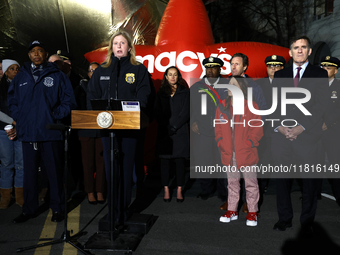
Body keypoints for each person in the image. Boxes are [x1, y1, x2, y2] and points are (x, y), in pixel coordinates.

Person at [87, 30, 154, 224]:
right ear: (111, 47)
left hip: (128, 129)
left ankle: (122, 211)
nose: (118, 46)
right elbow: (91, 97)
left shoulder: (138, 70)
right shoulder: (101, 70)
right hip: (107, 131)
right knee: (111, 171)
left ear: (129, 47)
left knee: (125, 171)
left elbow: (144, 96)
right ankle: (112, 211)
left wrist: (133, 110)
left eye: (122, 43)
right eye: (115, 43)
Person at [8, 40, 76, 223]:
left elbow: (69, 101)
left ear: (46, 54)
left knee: (54, 173)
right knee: (29, 174)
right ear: (29, 55)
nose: (36, 54)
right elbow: (12, 101)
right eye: (32, 51)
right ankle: (28, 209)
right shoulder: (21, 76)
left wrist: (54, 115)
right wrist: (19, 117)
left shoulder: (57, 75)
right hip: (28, 133)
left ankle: (58, 209)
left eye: (40, 51)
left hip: (50, 132)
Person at [271, 35, 328, 236]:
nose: (300, 50)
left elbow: (321, 105)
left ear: (309, 51)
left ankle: (307, 221)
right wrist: (279, 127)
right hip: (283, 138)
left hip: (307, 137)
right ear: (290, 51)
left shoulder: (319, 74)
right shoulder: (280, 75)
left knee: (309, 183)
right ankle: (284, 218)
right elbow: (274, 106)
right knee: (282, 181)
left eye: (304, 47)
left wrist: (301, 127)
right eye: (296, 47)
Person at [216, 76, 263, 226]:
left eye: (234, 84)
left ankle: (252, 212)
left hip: (246, 152)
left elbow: (257, 128)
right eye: (229, 84)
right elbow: (218, 128)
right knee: (232, 184)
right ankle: (232, 210)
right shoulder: (222, 106)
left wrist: (249, 143)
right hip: (229, 153)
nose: (230, 87)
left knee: (251, 184)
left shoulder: (251, 106)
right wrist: (220, 142)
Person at [190, 57, 228, 202]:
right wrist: (193, 121)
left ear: (220, 69)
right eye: (208, 68)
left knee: (223, 162)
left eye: (213, 68)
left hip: (222, 131)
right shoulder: (196, 87)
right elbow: (191, 107)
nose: (210, 71)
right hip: (203, 131)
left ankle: (223, 191)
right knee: (203, 161)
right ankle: (206, 189)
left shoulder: (228, 85)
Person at [154, 66, 189, 203]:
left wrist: (175, 126)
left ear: (178, 77)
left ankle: (180, 189)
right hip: (165, 132)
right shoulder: (161, 93)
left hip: (180, 132)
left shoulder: (185, 92)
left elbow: (186, 112)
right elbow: (157, 111)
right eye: (170, 74)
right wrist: (166, 126)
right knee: (164, 163)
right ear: (166, 77)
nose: (172, 77)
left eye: (175, 74)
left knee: (180, 162)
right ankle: (166, 190)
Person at [74, 61, 106, 204]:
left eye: (96, 70)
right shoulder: (80, 88)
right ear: (87, 74)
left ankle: (100, 191)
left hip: (101, 131)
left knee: (101, 164)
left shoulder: (106, 87)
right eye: (90, 70)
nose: (93, 73)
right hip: (85, 132)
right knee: (88, 165)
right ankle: (90, 192)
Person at [256, 55, 285, 203]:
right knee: (263, 162)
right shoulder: (259, 84)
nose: (273, 68)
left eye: (277, 65)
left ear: (282, 68)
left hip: (284, 132)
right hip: (265, 131)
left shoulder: (290, 84)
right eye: (270, 66)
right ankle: (261, 189)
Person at [0, 59, 23, 209]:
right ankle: (5, 197)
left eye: (17, 68)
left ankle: (20, 196)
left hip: (21, 129)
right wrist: (13, 122)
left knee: (21, 164)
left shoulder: (24, 86)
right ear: (6, 71)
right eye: (12, 68)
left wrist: (20, 123)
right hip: (3, 130)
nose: (15, 71)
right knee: (6, 163)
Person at [320, 55, 340, 206]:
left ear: (336, 71)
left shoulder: (338, 86)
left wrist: (328, 122)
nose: (325, 69)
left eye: (328, 67)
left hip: (333, 133)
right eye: (323, 67)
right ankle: (314, 195)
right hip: (316, 132)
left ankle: (339, 195)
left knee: (334, 165)